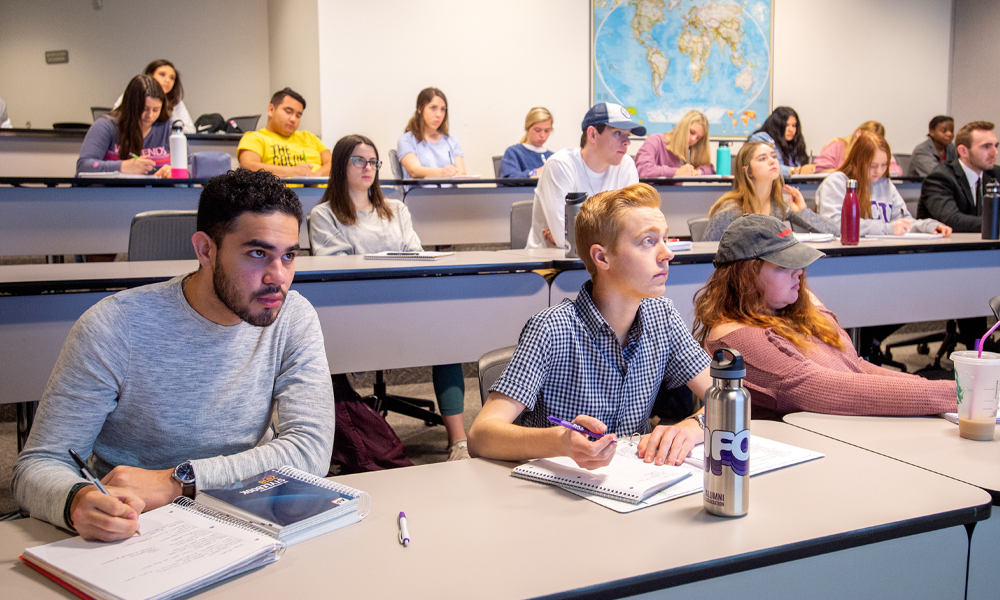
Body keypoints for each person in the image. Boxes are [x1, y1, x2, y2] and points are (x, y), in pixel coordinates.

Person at [12, 168, 335, 542]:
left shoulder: (293, 316)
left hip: (249, 510)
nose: (278, 277)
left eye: (289, 255)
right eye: (258, 253)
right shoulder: (115, 326)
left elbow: (310, 449)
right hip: (136, 524)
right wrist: (76, 501)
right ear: (205, 250)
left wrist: (179, 480)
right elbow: (38, 465)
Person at [468, 183, 712, 469]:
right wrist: (560, 441)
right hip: (560, 492)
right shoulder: (551, 329)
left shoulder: (663, 318)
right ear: (601, 257)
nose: (667, 253)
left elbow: (730, 399)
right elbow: (480, 436)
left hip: (636, 481)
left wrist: (691, 427)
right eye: (648, 241)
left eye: (665, 240)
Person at [692, 213, 958, 420]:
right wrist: (958, 395)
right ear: (746, 276)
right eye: (785, 265)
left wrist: (941, 388)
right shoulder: (736, 340)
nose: (800, 271)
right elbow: (837, 390)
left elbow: (851, 365)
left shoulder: (780, 311)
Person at [310, 134, 470, 460]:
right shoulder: (324, 214)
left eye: (373, 162)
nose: (368, 167)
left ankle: (459, 441)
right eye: (359, 160)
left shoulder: (395, 208)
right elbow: (335, 265)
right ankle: (338, 440)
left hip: (406, 300)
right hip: (354, 309)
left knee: (448, 338)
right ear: (342, 165)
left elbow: (414, 252)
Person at [525, 102, 642, 249]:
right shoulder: (561, 165)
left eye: (628, 135)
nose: (627, 142)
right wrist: (611, 228)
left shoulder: (626, 165)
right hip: (553, 266)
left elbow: (634, 228)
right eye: (618, 133)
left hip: (606, 263)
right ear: (592, 134)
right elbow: (567, 240)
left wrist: (579, 233)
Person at [817, 131, 951, 237]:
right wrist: (886, 229)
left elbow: (903, 222)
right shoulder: (836, 183)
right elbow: (833, 225)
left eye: (884, 165)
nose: (879, 171)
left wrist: (928, 226)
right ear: (856, 162)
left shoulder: (885, 183)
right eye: (872, 165)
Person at [703, 141, 838, 242]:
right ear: (748, 171)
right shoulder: (730, 211)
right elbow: (705, 255)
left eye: (774, 156)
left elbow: (835, 231)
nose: (772, 161)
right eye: (762, 158)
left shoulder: (781, 205)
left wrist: (802, 212)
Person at [76, 74, 171, 177]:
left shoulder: (168, 126)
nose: (150, 115)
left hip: (158, 191)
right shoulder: (105, 126)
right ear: (131, 106)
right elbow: (84, 166)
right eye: (144, 109)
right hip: (111, 191)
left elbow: (188, 165)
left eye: (156, 110)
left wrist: (173, 171)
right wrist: (123, 166)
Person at [918, 120, 1000, 232]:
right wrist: (996, 223)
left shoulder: (995, 175)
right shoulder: (940, 178)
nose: (995, 152)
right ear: (963, 151)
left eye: (996, 146)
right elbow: (952, 220)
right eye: (986, 147)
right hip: (946, 247)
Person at [238, 87, 331, 177]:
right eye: (288, 112)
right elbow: (248, 167)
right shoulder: (254, 138)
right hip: (281, 191)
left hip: (320, 190)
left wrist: (314, 176)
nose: (293, 119)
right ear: (271, 110)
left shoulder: (309, 137)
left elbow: (334, 163)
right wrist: (293, 171)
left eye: (298, 116)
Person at [397, 87, 465, 179]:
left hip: (450, 192)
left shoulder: (452, 141)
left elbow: (462, 172)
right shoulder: (406, 140)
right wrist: (442, 172)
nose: (439, 114)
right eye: (433, 108)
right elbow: (415, 171)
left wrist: (457, 173)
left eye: (443, 109)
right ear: (420, 109)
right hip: (420, 192)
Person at [113, 59, 194, 134]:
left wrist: (165, 126)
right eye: (162, 75)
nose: (167, 80)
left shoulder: (176, 102)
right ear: (150, 75)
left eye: (172, 78)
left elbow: (191, 130)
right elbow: (116, 121)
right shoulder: (132, 95)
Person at [635, 110, 715, 177]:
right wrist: (677, 172)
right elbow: (644, 171)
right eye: (691, 132)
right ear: (683, 127)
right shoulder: (654, 140)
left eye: (698, 138)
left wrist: (697, 172)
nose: (693, 139)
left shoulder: (689, 149)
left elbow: (710, 169)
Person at [814, 120, 902, 176]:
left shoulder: (879, 150)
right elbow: (819, 170)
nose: (873, 144)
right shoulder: (838, 145)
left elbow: (896, 171)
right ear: (858, 133)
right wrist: (851, 172)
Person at [748, 106, 815, 177]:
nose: (791, 129)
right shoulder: (761, 138)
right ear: (776, 125)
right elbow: (764, 167)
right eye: (787, 125)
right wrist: (796, 171)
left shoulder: (794, 142)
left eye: (794, 125)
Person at [499, 107, 554, 178]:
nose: (542, 135)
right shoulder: (513, 152)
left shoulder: (553, 158)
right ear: (527, 128)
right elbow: (508, 179)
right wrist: (534, 173)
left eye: (547, 131)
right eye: (537, 130)